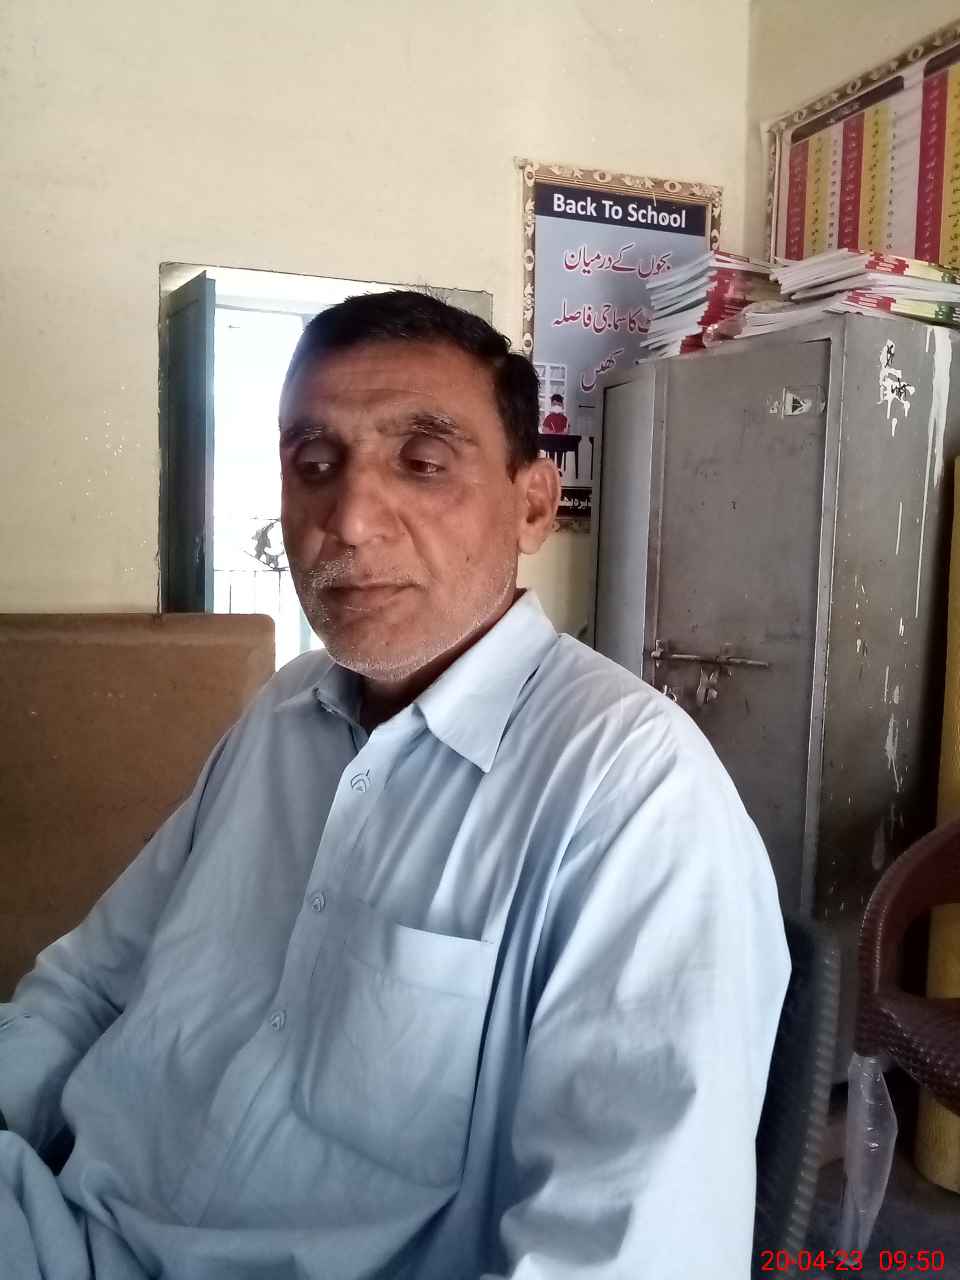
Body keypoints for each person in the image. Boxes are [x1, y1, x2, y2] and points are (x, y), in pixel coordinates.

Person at [0, 291, 789, 1279]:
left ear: (533, 504)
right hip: (63, 1222)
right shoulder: (280, 719)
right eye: (313, 464)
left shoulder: (631, 795)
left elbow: (627, 1249)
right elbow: (90, 982)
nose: (349, 519)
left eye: (422, 461)